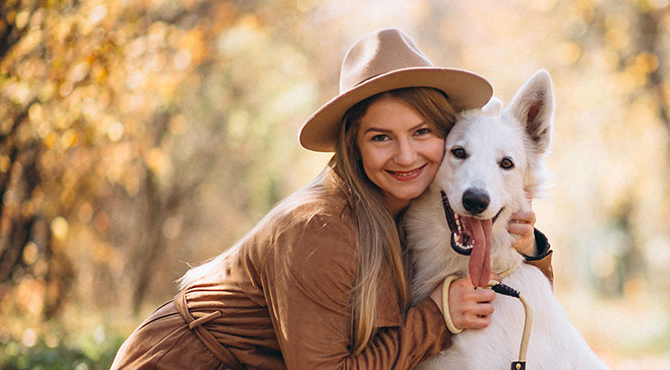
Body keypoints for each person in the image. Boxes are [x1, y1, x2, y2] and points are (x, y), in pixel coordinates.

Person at [110, 28, 553, 369]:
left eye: (421, 133)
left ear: (444, 138)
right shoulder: (318, 227)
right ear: (352, 145)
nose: (405, 155)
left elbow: (524, 301)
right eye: (381, 137)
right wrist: (438, 317)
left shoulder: (411, 210)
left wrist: (530, 246)